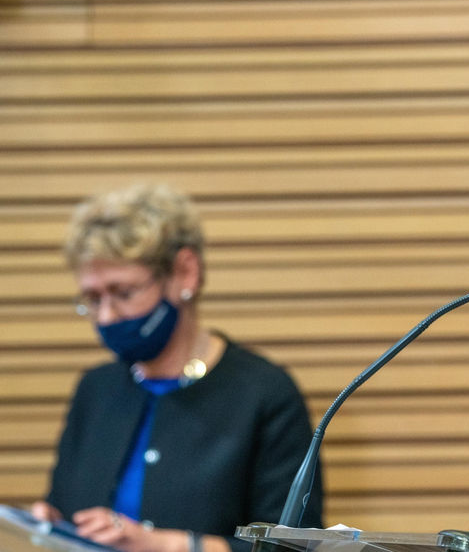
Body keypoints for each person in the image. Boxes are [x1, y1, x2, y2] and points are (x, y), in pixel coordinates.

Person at [32, 183, 321, 552]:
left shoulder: (264, 393)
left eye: (123, 293)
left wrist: (168, 545)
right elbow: (66, 511)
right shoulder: (95, 389)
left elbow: (296, 547)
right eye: (92, 298)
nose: (105, 316)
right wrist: (47, 525)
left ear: (185, 273)